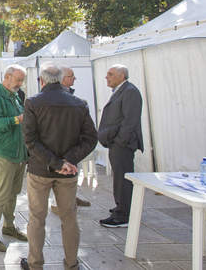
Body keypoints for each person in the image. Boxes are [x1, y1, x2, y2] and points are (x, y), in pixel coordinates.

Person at [20, 63, 98, 270]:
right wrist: (67, 161)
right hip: (65, 171)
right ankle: (71, 264)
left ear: (41, 80)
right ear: (62, 79)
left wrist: (60, 162)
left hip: (41, 170)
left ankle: (35, 264)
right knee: (69, 217)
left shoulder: (33, 102)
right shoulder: (79, 103)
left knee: (37, 218)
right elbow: (91, 138)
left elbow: (30, 140)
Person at [0, 66, 28, 252]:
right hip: (3, 152)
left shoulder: (15, 95)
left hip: (18, 153)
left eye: (22, 81)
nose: (20, 84)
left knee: (13, 193)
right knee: (1, 194)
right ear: (7, 77)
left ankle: (9, 226)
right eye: (18, 80)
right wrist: (18, 119)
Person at [98, 64, 144, 229]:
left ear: (121, 76)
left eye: (110, 74)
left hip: (122, 144)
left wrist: (119, 141)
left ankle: (123, 215)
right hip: (117, 143)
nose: (106, 77)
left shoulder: (130, 91)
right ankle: (122, 207)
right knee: (119, 177)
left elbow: (129, 121)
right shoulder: (121, 90)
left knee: (123, 178)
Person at [49, 66, 91, 215]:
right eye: (71, 76)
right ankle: (57, 202)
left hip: (73, 142)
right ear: (62, 78)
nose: (74, 78)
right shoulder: (57, 95)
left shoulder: (73, 97)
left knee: (72, 171)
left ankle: (71, 197)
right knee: (61, 173)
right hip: (60, 142)